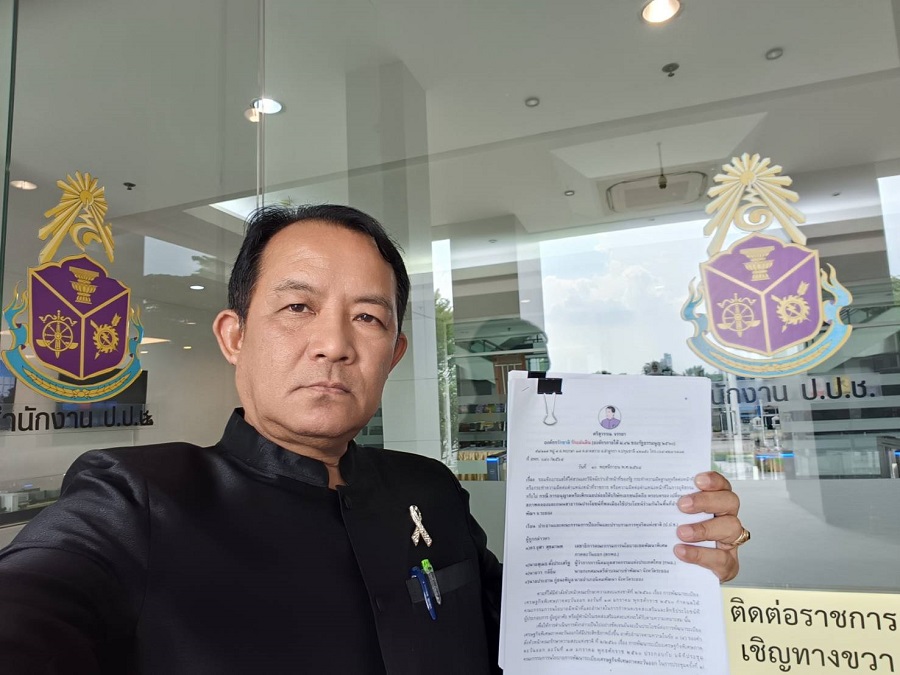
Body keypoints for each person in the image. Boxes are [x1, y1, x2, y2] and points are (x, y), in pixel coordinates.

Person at [0, 205, 747, 674]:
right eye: (297, 307)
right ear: (234, 335)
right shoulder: (137, 500)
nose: (334, 343)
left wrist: (668, 554)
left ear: (392, 354)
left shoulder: (429, 491)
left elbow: (540, 633)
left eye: (367, 317)